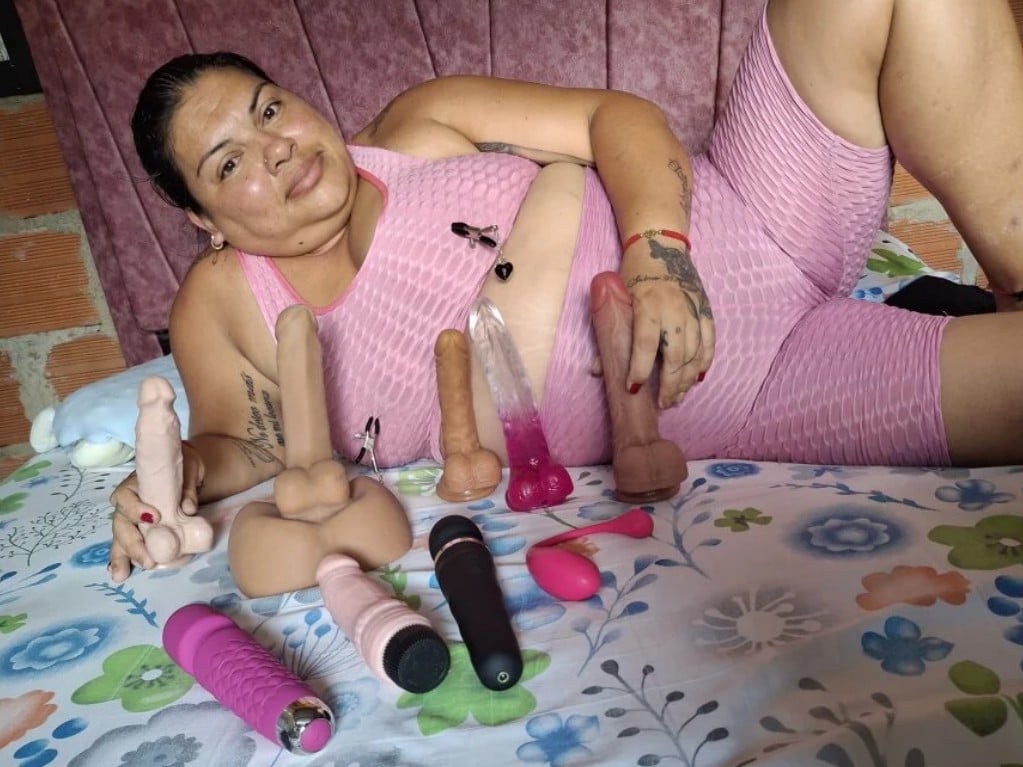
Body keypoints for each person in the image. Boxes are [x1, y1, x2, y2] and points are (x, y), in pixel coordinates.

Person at [110, 0, 1023, 584]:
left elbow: (609, 116)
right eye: (228, 162)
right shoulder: (224, 298)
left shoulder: (419, 123)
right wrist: (172, 476)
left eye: (269, 108)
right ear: (204, 219)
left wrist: (658, 255)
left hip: (753, 201)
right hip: (752, 389)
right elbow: (245, 443)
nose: (275, 148)